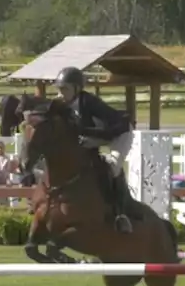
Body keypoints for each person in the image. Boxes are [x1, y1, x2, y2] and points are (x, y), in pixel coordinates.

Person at [53, 65, 138, 233]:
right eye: (59, 89)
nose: (60, 94)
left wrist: (83, 134)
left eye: (65, 89)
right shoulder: (64, 105)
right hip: (98, 134)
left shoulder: (90, 103)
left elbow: (109, 132)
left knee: (112, 168)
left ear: (77, 89)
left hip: (119, 133)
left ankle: (120, 214)